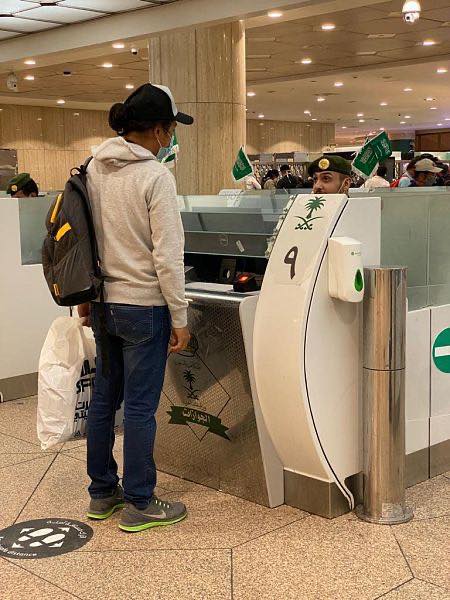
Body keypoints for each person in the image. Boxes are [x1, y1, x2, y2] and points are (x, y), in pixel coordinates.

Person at [77, 83, 193, 533]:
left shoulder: (92, 169)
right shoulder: (156, 177)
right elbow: (168, 256)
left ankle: (102, 492)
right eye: (170, 130)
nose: (170, 139)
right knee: (142, 408)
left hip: (104, 303)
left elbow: (85, 242)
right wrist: (180, 317)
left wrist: (86, 301)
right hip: (144, 306)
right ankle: (141, 501)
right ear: (159, 131)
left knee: (105, 400)